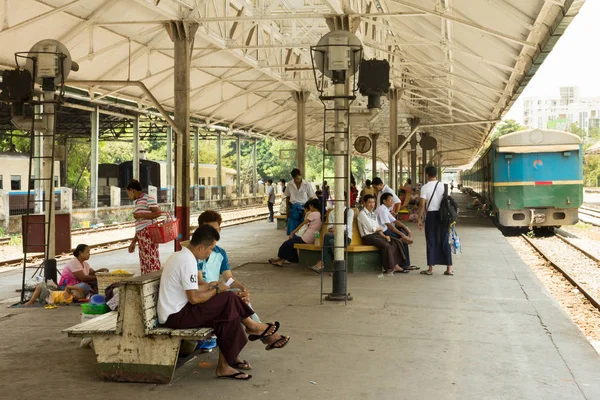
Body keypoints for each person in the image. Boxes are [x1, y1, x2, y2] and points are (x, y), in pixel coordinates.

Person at [158, 225, 290, 381]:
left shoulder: (182, 256)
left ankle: (224, 366)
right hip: (177, 316)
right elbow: (194, 298)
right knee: (228, 298)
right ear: (201, 247)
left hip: (182, 310)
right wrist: (218, 290)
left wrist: (213, 285)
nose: (210, 253)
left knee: (229, 315)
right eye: (210, 249)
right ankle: (253, 326)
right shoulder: (187, 261)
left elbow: (193, 289)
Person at [357, 195, 406, 275]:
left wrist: (385, 236)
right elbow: (371, 228)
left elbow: (378, 228)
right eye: (369, 202)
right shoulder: (362, 214)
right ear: (364, 203)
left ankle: (396, 265)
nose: (372, 204)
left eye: (373, 202)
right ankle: (389, 268)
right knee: (386, 245)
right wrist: (379, 229)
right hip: (367, 237)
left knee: (394, 241)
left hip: (376, 235)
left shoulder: (373, 214)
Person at [418, 166, 453, 276]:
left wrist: (419, 219)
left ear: (426, 175)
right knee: (445, 240)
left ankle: (431, 268)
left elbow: (422, 205)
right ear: (437, 175)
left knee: (431, 240)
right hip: (444, 216)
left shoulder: (425, 187)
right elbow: (447, 203)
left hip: (432, 216)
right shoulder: (444, 186)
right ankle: (449, 269)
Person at [269, 198, 321, 267]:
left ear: (312, 206)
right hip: (312, 238)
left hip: (306, 238)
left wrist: (292, 232)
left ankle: (280, 260)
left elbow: (302, 224)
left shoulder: (313, 214)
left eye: (310, 206)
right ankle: (280, 260)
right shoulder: (320, 214)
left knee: (286, 244)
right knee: (290, 244)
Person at [310, 193, 354, 274]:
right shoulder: (332, 213)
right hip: (333, 236)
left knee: (327, 238)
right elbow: (329, 227)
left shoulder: (349, 211)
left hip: (345, 237)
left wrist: (337, 229)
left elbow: (348, 226)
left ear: (345, 200)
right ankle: (337, 269)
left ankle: (322, 263)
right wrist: (332, 229)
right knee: (330, 241)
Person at [126, 180, 163, 275]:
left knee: (151, 259)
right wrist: (134, 242)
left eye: (128, 193)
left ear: (132, 190)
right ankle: (148, 280)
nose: (128, 196)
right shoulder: (138, 202)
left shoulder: (148, 199)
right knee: (145, 261)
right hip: (142, 235)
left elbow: (158, 213)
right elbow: (140, 225)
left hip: (149, 233)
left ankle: (154, 279)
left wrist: (141, 215)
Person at [376, 193, 418, 271]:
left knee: (403, 235)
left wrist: (406, 228)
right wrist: (402, 235)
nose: (392, 202)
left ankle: (405, 264)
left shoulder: (385, 209)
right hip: (383, 232)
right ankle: (402, 264)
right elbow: (388, 225)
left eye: (392, 200)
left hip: (386, 230)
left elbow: (395, 221)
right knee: (401, 238)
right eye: (390, 200)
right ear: (384, 201)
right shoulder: (382, 209)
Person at [285, 168, 316, 235]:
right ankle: (292, 241)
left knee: (303, 227)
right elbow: (287, 197)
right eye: (294, 179)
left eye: (297, 178)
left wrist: (308, 209)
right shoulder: (290, 184)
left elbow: (311, 197)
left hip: (304, 208)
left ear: (300, 175)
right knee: (293, 227)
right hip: (293, 208)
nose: (296, 180)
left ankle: (301, 242)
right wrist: (287, 210)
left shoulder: (307, 184)